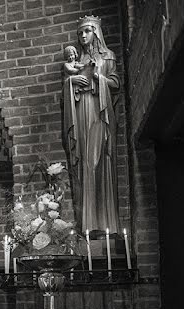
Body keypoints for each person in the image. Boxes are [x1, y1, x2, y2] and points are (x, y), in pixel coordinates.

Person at [62, 15, 121, 234]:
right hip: (80, 111)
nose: (83, 36)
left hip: (99, 110)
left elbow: (115, 83)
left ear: (96, 32)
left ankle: (106, 223)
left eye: (87, 31)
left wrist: (99, 76)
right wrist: (71, 82)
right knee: (85, 161)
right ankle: (87, 224)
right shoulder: (75, 61)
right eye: (80, 33)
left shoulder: (108, 56)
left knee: (99, 159)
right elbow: (66, 92)